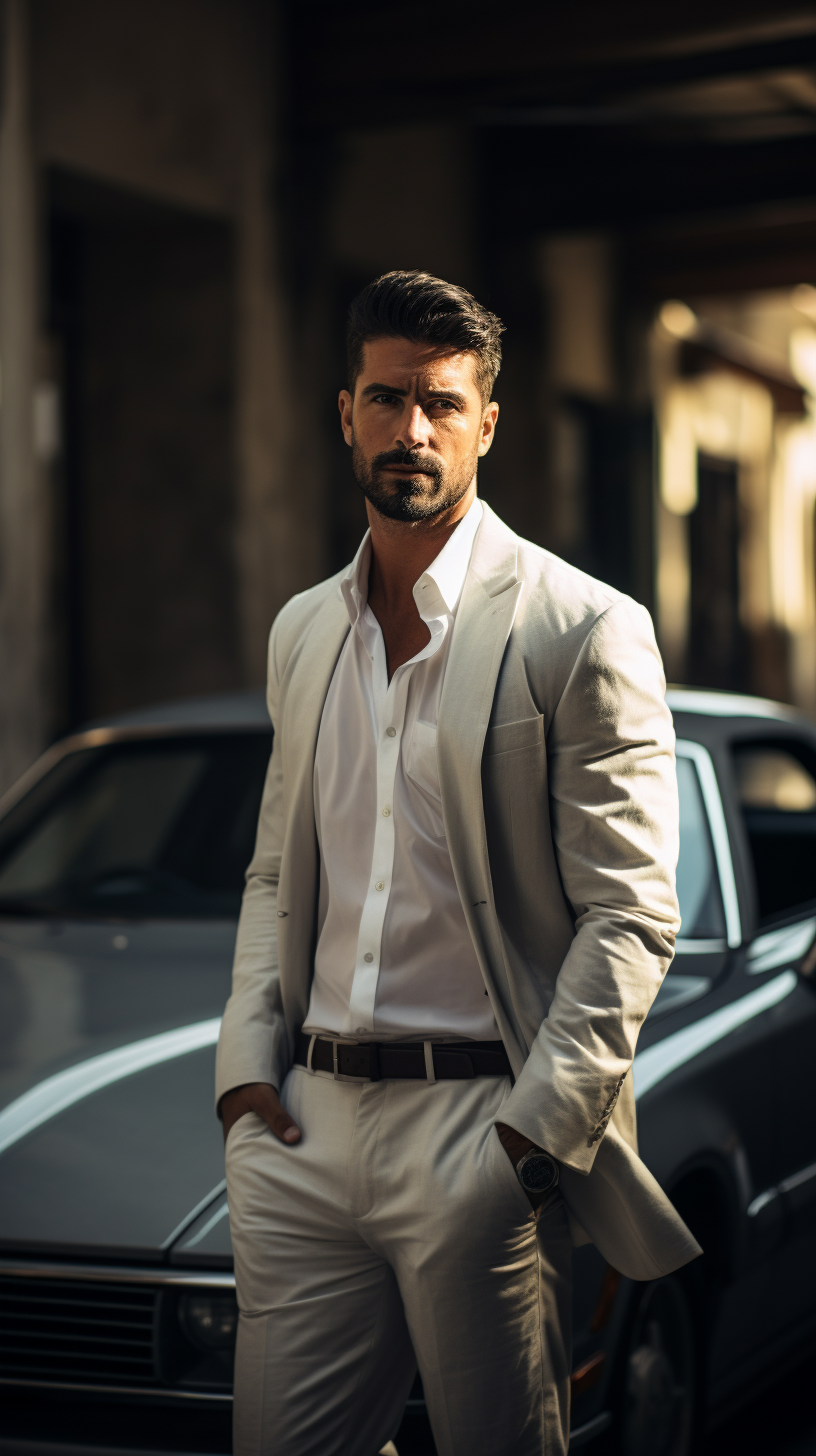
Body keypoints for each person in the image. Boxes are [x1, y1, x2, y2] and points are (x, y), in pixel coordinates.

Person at [216, 269, 700, 1456]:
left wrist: (529, 1137)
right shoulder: (302, 629)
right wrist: (243, 1070)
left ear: (488, 420)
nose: (411, 430)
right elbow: (279, 867)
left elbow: (631, 917)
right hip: (306, 1129)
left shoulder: (581, 626)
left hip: (479, 1128)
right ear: (345, 413)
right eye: (386, 399)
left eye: (440, 403)